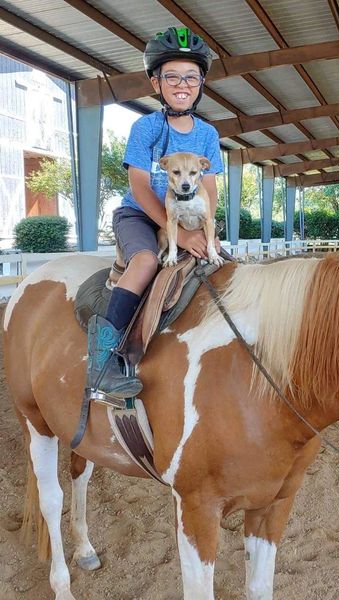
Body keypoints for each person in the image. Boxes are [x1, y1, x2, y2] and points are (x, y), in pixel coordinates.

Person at [86, 27, 223, 404]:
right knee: (146, 261)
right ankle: (103, 365)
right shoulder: (145, 127)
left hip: (192, 215)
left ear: (201, 84)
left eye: (191, 77)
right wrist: (178, 236)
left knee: (223, 266)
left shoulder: (208, 134)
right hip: (141, 214)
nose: (183, 84)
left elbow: (209, 190)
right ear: (156, 81)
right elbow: (141, 186)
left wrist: (208, 236)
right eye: (173, 76)